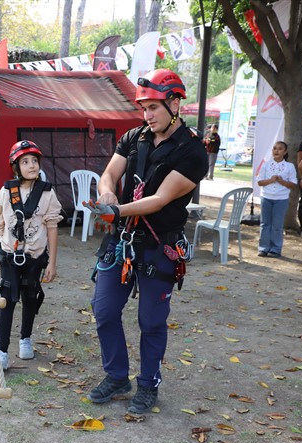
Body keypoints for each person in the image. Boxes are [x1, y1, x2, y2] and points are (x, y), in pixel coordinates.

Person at [83, 69, 207, 414]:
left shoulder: (193, 152)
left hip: (159, 245)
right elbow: (110, 174)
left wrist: (116, 211)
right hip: (122, 242)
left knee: (151, 322)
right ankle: (117, 376)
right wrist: (107, 194)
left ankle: (148, 383)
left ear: (175, 103)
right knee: (104, 310)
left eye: (154, 107)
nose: (147, 115)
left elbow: (160, 199)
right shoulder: (134, 137)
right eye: (144, 108)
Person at [0, 140, 62, 370]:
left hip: (34, 257)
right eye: (25, 162)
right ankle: (1, 351)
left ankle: (25, 338)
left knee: (30, 296)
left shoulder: (47, 193)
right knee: (6, 301)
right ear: (16, 166)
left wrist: (53, 263)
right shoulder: (7, 191)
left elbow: (52, 227)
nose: (31, 166)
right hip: (9, 255)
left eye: (34, 161)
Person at [256, 141, 297, 257]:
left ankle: (275, 248)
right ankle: (263, 248)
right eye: (274, 148)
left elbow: (293, 184)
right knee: (265, 224)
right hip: (266, 197)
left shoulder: (289, 166)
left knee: (277, 225)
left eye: (280, 149)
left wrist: (282, 181)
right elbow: (259, 182)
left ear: (285, 152)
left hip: (281, 199)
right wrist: (271, 180)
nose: (276, 151)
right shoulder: (266, 165)